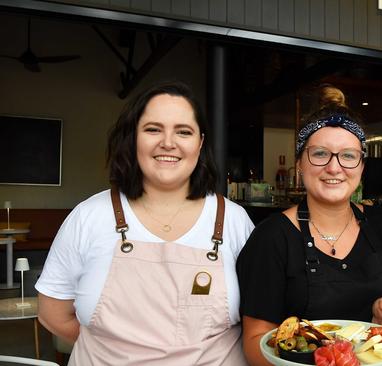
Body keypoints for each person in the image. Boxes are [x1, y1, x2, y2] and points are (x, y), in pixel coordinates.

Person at [36, 81, 254, 365]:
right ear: (133, 137)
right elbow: (52, 313)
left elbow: (259, 321)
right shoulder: (89, 216)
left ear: (200, 143)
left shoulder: (234, 221)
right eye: (153, 129)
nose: (168, 142)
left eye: (183, 132)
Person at [237, 86, 382, 366]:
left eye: (348, 155)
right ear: (299, 164)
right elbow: (254, 341)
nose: (334, 168)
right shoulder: (271, 238)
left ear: (361, 166)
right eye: (320, 154)